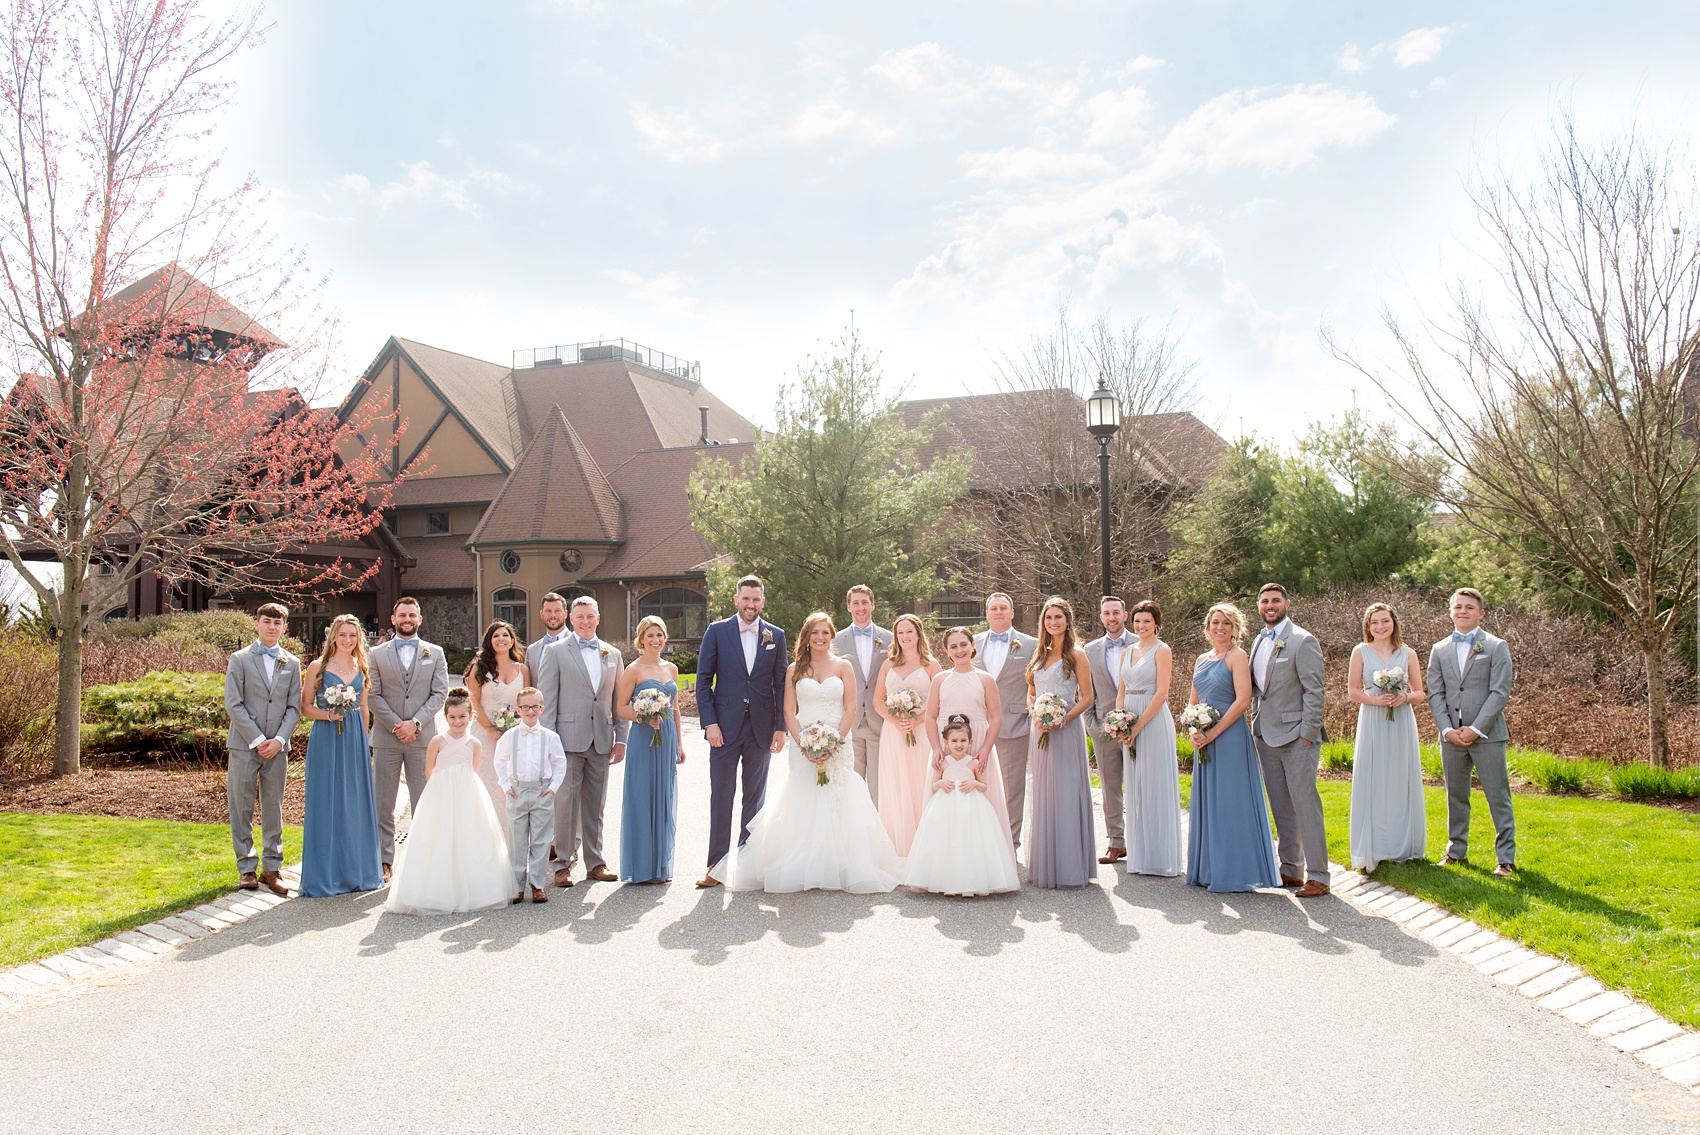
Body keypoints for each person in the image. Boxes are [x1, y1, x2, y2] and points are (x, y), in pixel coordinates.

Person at [713, 611, 904, 893]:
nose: (820, 638)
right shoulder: (794, 670)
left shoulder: (843, 667)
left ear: (832, 635)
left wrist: (836, 740)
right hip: (804, 742)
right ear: (806, 636)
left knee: (839, 796)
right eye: (814, 632)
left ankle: (840, 865)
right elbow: (789, 710)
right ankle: (803, 864)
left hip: (838, 741)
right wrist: (803, 742)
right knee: (805, 795)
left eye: (825, 632)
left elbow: (851, 706)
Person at [694, 575, 789, 888]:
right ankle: (716, 866)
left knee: (755, 799)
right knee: (722, 794)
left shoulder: (776, 634)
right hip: (724, 727)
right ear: (736, 600)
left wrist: (780, 727)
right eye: (746, 599)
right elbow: (703, 680)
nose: (751, 605)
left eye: (756, 600)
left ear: (763, 601)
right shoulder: (717, 631)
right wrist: (710, 723)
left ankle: (747, 867)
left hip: (760, 729)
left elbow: (780, 683)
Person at [386, 687, 512, 914]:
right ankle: (437, 889)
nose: (457, 721)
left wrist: (461, 786)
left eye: (462, 717)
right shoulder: (437, 741)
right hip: (441, 793)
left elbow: (471, 769)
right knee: (440, 836)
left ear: (471, 717)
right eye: (452, 717)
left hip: (467, 794)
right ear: (445, 718)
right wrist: (438, 792)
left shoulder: (474, 743)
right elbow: (429, 771)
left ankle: (473, 888)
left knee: (468, 835)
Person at [1185, 603, 1280, 893]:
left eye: (1226, 623)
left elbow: (1242, 701)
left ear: (1235, 627)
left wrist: (1213, 732)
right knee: (1210, 802)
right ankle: (1209, 868)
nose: (1220, 628)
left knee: (1230, 802)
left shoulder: (1237, 657)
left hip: (1229, 737)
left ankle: (1235, 871)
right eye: (1215, 622)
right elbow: (1192, 702)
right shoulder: (1202, 658)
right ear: (1207, 626)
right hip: (1204, 738)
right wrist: (1193, 729)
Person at [536, 595, 627, 887]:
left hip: (601, 739)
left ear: (598, 619)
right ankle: (562, 863)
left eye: (590, 616)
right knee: (565, 804)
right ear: (571, 619)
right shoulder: (556, 651)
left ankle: (596, 863)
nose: (585, 622)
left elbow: (618, 700)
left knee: (595, 804)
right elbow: (547, 701)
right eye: (580, 617)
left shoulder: (612, 654)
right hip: (567, 740)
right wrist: (549, 744)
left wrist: (621, 738)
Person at [1247, 583, 1330, 897]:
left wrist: (1308, 735)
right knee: (1281, 806)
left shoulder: (1302, 640)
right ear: (1258, 606)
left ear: (1287, 604)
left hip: (1297, 737)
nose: (1270, 605)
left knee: (1306, 805)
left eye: (1276, 601)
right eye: (1265, 600)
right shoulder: (1258, 641)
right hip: (1265, 735)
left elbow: (1315, 691)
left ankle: (1319, 875)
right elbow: (1259, 691)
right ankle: (1290, 870)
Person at [1427, 587, 1516, 875]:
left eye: (1469, 607)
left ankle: (1506, 859)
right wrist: (1447, 729)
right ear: (1450, 611)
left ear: (1481, 613)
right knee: (1455, 794)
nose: (1462, 611)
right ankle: (1456, 851)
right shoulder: (1439, 649)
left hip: (1487, 735)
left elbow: (1500, 692)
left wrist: (1476, 729)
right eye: (1458, 607)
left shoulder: (1495, 646)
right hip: (1452, 736)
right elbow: (1435, 693)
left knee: (1497, 795)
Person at [297, 614, 383, 897]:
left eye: (353, 635)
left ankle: (356, 872)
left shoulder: (362, 666)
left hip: (355, 737)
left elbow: (364, 706)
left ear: (359, 638)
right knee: (326, 801)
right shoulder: (317, 667)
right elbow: (304, 707)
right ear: (333, 636)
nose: (347, 640)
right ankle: (324, 875)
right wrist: (327, 715)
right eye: (342, 635)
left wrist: (366, 741)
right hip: (326, 736)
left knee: (355, 802)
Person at [366, 597, 450, 880]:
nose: (407, 619)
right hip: (387, 738)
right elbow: (372, 694)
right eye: (402, 615)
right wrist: (395, 725)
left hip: (422, 738)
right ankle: (384, 860)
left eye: (412, 615)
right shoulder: (376, 655)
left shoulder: (435, 653)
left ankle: (424, 860)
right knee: (383, 803)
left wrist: (414, 723)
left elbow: (440, 693)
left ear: (420, 619)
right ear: (393, 619)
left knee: (424, 801)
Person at [223, 602, 303, 895]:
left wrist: (279, 740)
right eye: (266, 621)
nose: (272, 627)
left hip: (277, 748)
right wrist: (258, 739)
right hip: (245, 746)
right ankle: (246, 867)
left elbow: (294, 707)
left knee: (274, 807)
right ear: (256, 624)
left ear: (285, 628)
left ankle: (272, 867)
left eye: (277, 623)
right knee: (241, 806)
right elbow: (233, 703)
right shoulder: (240, 659)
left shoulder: (292, 663)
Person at [1348, 602, 1428, 873]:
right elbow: (1353, 691)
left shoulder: (1408, 654)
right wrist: (1376, 701)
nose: (1380, 627)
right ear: (1367, 627)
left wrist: (1404, 697)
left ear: (1394, 622)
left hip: (1400, 722)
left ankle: (1402, 846)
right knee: (1374, 779)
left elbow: (1420, 692)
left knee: (1398, 779)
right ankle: (1375, 847)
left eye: (1385, 621)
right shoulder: (1360, 652)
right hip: (1372, 720)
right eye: (1374, 623)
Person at [903, 715, 1020, 896]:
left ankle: (970, 881)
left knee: (969, 840)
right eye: (954, 741)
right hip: (946, 808)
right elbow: (934, 786)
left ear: (970, 742)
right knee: (947, 840)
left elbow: (984, 786)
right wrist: (941, 784)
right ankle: (945, 880)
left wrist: (974, 784)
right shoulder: (943, 762)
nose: (959, 744)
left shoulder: (973, 762)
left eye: (963, 740)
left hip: (970, 808)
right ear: (946, 743)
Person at [1025, 596, 1097, 889]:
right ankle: (1047, 863)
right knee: (1044, 793)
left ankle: (1069, 866)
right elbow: (1031, 692)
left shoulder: (1077, 654)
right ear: (1043, 622)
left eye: (1058, 617)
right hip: (1040, 730)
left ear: (1068, 620)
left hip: (1065, 730)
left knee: (1066, 792)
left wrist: (1062, 720)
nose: (1053, 622)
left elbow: (1088, 697)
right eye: (1048, 618)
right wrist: (1036, 714)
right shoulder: (1039, 654)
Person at [925, 626, 1012, 855]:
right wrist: (936, 748)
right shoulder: (940, 679)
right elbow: (931, 716)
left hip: (977, 744)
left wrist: (984, 749)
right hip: (947, 746)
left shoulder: (985, 679)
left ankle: (982, 858)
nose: (959, 650)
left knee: (979, 799)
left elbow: (995, 717)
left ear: (973, 646)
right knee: (945, 799)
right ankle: (944, 859)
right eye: (953, 646)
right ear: (946, 651)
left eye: (964, 644)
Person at [1115, 600, 1183, 877]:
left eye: (1146, 621)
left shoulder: (1162, 650)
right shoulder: (1127, 650)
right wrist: (1119, 722)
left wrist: (1138, 726)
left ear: (1156, 623)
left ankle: (1161, 857)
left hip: (1152, 720)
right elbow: (1121, 689)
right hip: (1128, 716)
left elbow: (1162, 693)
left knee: (1155, 782)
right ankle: (1140, 855)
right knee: (1135, 785)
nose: (1141, 626)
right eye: (1137, 622)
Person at [615, 615, 684, 884]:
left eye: (660, 635)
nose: (656, 640)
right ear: (641, 639)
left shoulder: (672, 669)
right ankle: (642, 868)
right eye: (650, 635)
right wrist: (642, 716)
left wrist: (679, 742)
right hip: (643, 737)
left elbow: (676, 708)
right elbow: (621, 708)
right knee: (642, 795)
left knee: (663, 796)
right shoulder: (633, 669)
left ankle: (660, 867)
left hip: (665, 738)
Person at [973, 593, 1039, 849]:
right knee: (980, 784)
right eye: (993, 608)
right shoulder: (972, 642)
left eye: (1003, 608)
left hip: (1014, 723)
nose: (998, 612)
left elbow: (1036, 685)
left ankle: (1010, 842)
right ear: (986, 613)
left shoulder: (1030, 645)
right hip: (978, 725)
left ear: (1012, 612)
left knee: (1012, 787)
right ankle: (983, 840)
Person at [872, 613, 940, 855]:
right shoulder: (888, 665)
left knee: (920, 784)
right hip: (893, 734)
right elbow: (878, 701)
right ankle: (898, 846)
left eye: (909, 631)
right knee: (896, 785)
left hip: (921, 734)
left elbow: (938, 704)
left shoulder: (931, 665)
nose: (905, 636)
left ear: (919, 633)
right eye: (900, 633)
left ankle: (924, 847)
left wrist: (915, 721)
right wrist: (896, 721)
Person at [493, 687, 568, 903]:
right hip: (517, 790)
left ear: (541, 709)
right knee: (516, 841)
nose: (530, 711)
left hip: (541, 790)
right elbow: (500, 761)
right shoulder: (510, 736)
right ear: (518, 710)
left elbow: (559, 763)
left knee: (541, 839)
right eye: (525, 707)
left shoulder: (550, 737)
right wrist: (506, 786)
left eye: (535, 707)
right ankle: (516, 886)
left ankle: (537, 884)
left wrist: (552, 788)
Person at [459, 620, 530, 829]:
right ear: (490, 641)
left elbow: (527, 701)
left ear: (512, 640)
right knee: (488, 785)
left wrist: (519, 727)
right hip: (485, 732)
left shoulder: (523, 669)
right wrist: (491, 730)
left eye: (505, 635)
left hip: (516, 734)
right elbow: (473, 701)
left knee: (511, 788)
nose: (501, 639)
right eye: (496, 636)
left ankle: (511, 845)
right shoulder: (479, 668)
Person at [1082, 596, 1133, 864]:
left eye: (1116, 612)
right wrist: (1091, 725)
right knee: (1110, 788)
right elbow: (1085, 690)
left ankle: (1141, 840)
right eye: (1106, 613)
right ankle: (1116, 842)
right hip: (1102, 729)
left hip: (1138, 729)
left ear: (1125, 616)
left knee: (1139, 786)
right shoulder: (1089, 650)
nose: (1111, 617)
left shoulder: (1142, 643)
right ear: (1101, 618)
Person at [833, 584, 892, 802]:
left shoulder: (890, 638)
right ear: (849, 607)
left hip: (881, 722)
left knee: (880, 787)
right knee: (851, 786)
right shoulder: (836, 640)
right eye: (855, 603)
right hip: (850, 722)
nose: (861, 607)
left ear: (872, 605)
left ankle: (877, 833)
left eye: (865, 602)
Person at [525, 592, 570, 678]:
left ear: (565, 614)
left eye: (557, 611)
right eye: (548, 611)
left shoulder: (577, 644)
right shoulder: (532, 650)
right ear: (541, 614)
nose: (553, 616)